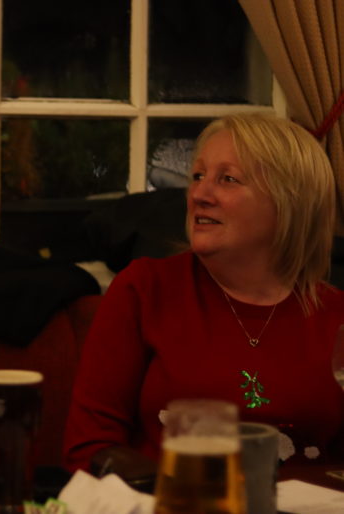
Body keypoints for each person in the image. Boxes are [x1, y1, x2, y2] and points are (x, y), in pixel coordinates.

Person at [63, 112, 344, 480]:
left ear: (289, 202)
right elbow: (88, 451)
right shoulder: (146, 290)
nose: (199, 194)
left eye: (227, 179)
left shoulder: (336, 315)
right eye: (197, 176)